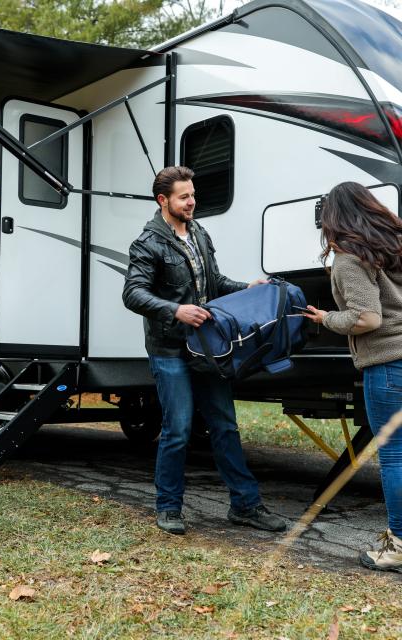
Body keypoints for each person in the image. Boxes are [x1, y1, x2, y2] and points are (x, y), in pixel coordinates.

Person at [122, 165, 286, 535]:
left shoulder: (199, 233)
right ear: (163, 200)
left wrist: (249, 287)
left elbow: (214, 282)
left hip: (207, 349)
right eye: (184, 196)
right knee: (178, 428)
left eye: (192, 194)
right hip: (169, 348)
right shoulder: (148, 243)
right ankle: (168, 507)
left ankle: (245, 506)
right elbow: (132, 293)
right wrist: (174, 309)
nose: (192, 201)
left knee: (225, 425)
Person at [303, 181, 402, 573]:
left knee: (395, 456)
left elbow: (367, 318)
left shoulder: (349, 259)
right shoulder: (394, 247)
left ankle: (397, 544)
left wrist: (326, 318)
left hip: (389, 364)